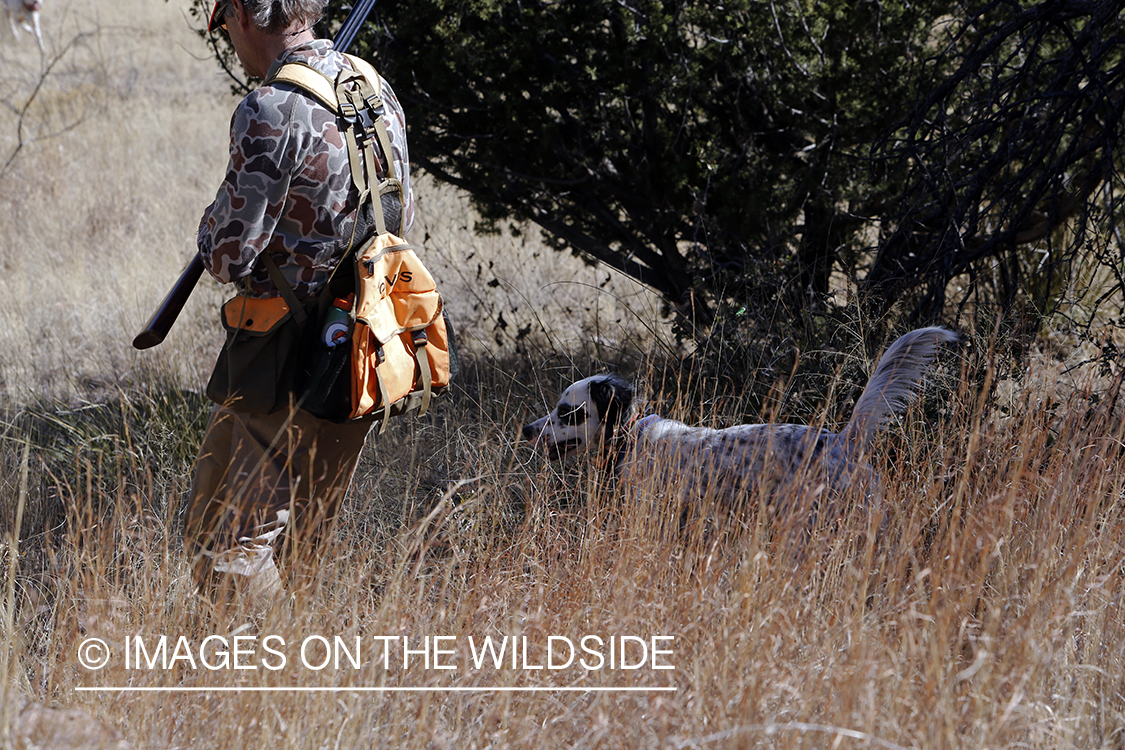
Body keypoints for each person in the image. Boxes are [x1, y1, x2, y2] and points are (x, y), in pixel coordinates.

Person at [184, 0, 414, 608]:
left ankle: (258, 686)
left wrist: (208, 227)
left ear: (243, 12)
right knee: (304, 544)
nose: (230, 37)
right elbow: (401, 217)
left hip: (284, 360)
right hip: (363, 345)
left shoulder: (268, 108)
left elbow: (229, 256)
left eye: (225, 22)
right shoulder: (372, 85)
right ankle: (307, 683)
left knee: (226, 549)